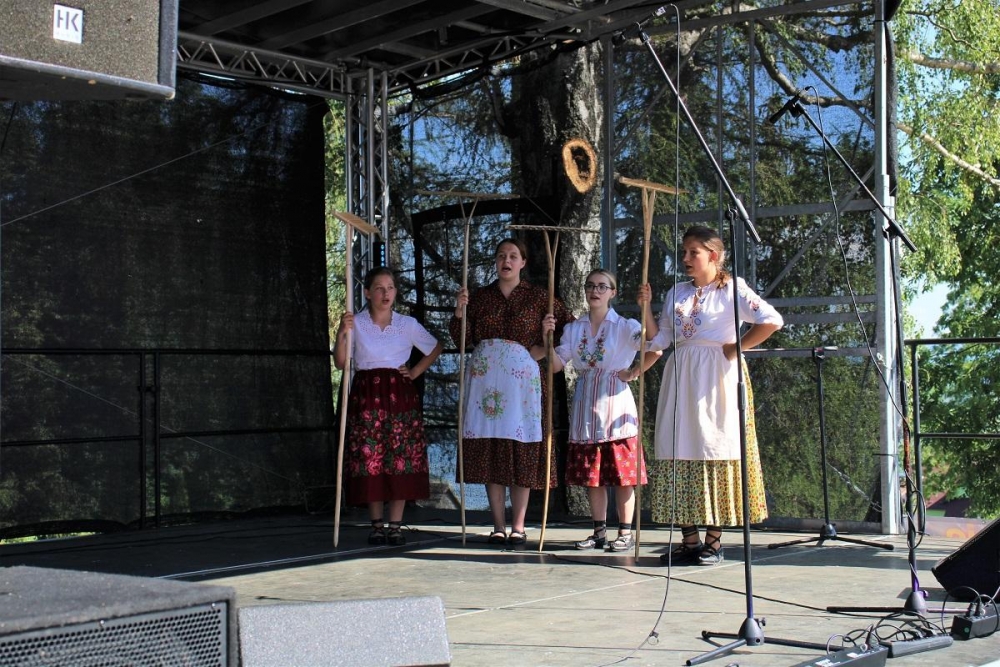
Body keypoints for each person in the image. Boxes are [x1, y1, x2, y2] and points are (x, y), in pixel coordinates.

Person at [637, 225, 782, 566]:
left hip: (716, 375)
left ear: (713, 255)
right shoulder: (677, 292)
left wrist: (737, 347)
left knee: (713, 445)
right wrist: (646, 308)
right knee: (678, 445)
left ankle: (714, 541)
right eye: (684, 252)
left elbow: (771, 319)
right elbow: (661, 340)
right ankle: (689, 540)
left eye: (694, 252)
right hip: (682, 375)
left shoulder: (732, 288)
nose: (686, 258)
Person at [450, 238, 573, 547]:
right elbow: (461, 340)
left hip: (522, 386)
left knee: (522, 448)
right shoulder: (480, 297)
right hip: (485, 386)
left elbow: (569, 330)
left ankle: (518, 526)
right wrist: (459, 312)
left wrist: (543, 347)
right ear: (496, 262)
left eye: (513, 255)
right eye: (501, 255)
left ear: (523, 262)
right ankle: (497, 525)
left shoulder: (540, 298)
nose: (506, 260)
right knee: (492, 449)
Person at [544, 269, 661, 552]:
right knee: (592, 477)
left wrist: (634, 371)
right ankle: (598, 532)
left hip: (616, 408)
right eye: (590, 286)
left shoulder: (624, 326)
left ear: (612, 292)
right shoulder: (574, 329)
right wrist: (546, 337)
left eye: (601, 286)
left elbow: (655, 347)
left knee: (623, 477)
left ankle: (625, 533)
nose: (594, 291)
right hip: (586, 410)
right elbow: (556, 365)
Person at [334, 267, 443, 546]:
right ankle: (376, 525)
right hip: (367, 394)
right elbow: (341, 362)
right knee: (370, 456)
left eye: (390, 287)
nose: (386, 293)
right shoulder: (356, 323)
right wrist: (342, 333)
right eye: (379, 288)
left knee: (399, 457)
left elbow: (434, 347)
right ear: (367, 293)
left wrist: (414, 372)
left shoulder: (406, 324)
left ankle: (395, 525)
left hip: (398, 395)